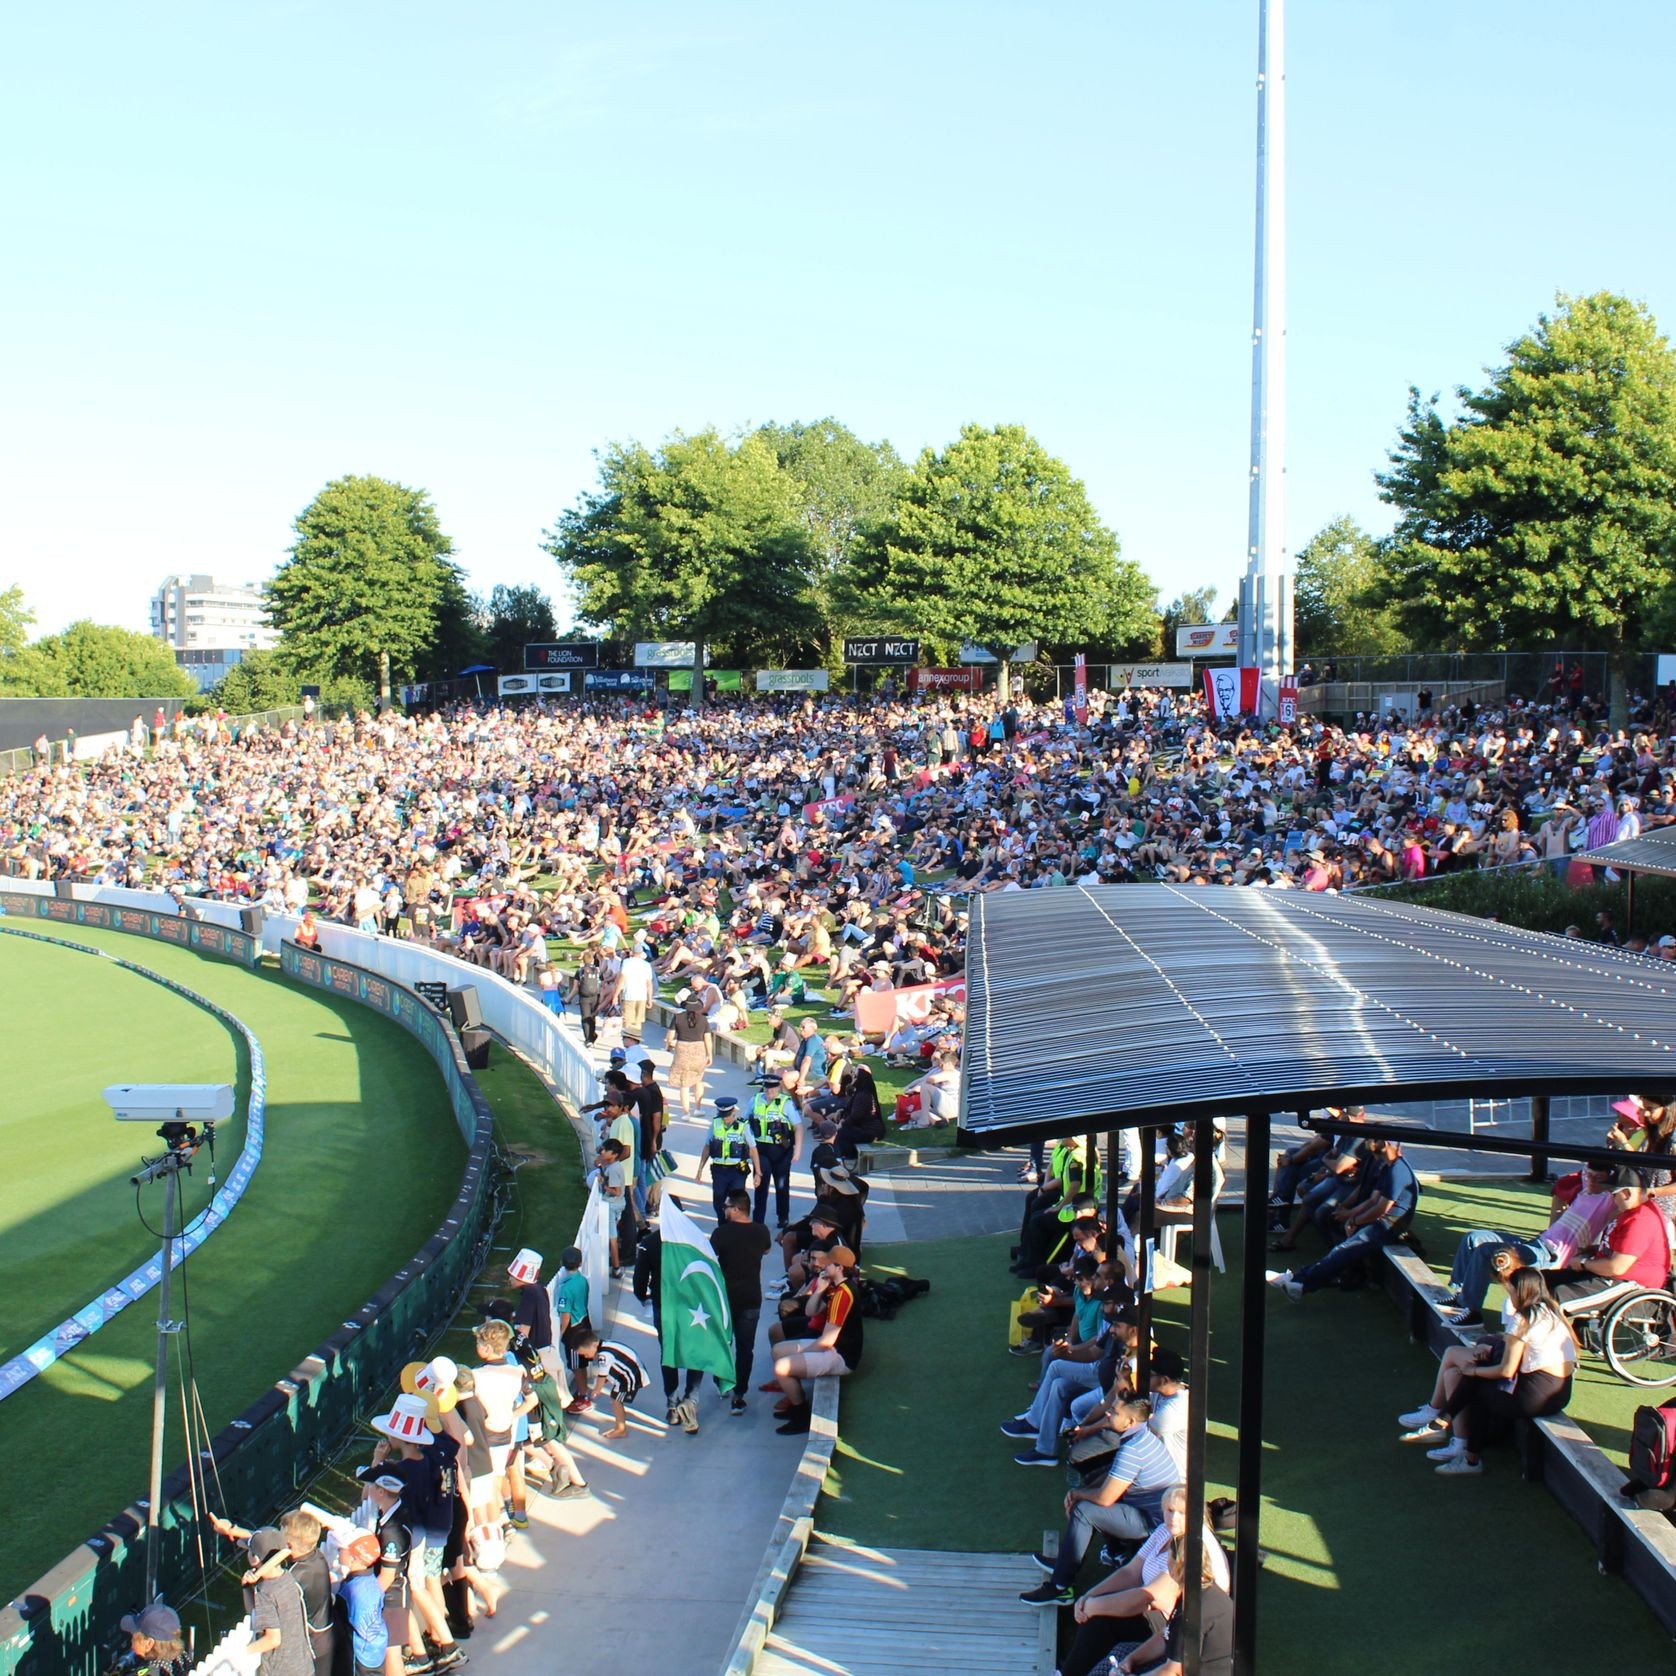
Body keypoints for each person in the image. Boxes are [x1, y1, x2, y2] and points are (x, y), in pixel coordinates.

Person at [1019, 1397, 1178, 1606]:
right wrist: (1086, 1489)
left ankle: (1060, 1587)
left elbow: (1104, 1498)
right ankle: (1101, 1555)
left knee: (1084, 1510)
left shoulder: (1133, 1450)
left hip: (1153, 1524)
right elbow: (1114, 1480)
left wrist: (1077, 1494)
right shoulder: (1142, 1437)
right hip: (1151, 1513)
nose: (1108, 1413)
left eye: (1114, 1412)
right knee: (1093, 1488)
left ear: (1130, 1422)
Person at [1057, 1484, 1230, 1676]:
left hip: (1169, 1622)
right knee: (1115, 1647)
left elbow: (1149, 1598)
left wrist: (1093, 1606)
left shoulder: (1190, 1552)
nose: (1174, 1518)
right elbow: (1131, 1572)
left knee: (1102, 1620)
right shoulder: (1166, 1531)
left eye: (1181, 1512)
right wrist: (1089, 1597)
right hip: (1169, 1627)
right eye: (1170, 1510)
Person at [1420, 1267, 1579, 1476]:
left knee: (1476, 1386)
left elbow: (1505, 1371)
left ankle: (1469, 1458)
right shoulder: (1551, 1309)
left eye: (1510, 1290)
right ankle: (1443, 1421)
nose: (1508, 1295)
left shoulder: (1523, 1318)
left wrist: (1474, 1371)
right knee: (1477, 1376)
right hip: (1560, 1393)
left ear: (1518, 1291)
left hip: (1536, 1396)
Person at [1439, 1161, 1618, 1326]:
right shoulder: (1585, 1189)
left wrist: (1624, 1144)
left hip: (1549, 1255)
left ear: (1609, 1180)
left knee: (1485, 1252)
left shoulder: (1608, 1199)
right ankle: (1460, 1295)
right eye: (1589, 1176)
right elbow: (1585, 1169)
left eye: (1598, 1178)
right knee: (1473, 1238)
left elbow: (1630, 1177)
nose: (1592, 1181)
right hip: (1537, 1242)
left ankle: (1472, 1313)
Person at [1265, 1137, 1418, 1299]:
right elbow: (1373, 1200)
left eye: (1373, 1141)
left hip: (1388, 1226)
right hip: (1381, 1221)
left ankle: (1300, 1282)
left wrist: (1355, 1220)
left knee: (1343, 1249)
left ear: (1387, 1144)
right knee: (1341, 1242)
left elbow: (1381, 1208)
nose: (1368, 1144)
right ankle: (1299, 1280)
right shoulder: (1388, 1167)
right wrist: (1350, 1215)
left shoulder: (1397, 1171)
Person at [1544, 1168, 1671, 1309]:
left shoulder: (1640, 1220)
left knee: (1557, 1296)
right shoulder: (1630, 1212)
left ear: (1627, 1194)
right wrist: (1592, 1250)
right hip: (1609, 1275)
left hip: (1631, 1284)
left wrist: (1582, 1263)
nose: (1611, 1198)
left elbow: (1616, 1267)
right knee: (1541, 1281)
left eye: (1613, 1194)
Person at [771, 1244, 863, 1435]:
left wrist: (801, 1353)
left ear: (839, 1268)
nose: (824, 1265)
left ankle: (801, 1414)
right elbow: (810, 1311)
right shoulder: (834, 1287)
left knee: (782, 1366)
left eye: (829, 1263)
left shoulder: (843, 1294)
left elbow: (827, 1342)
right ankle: (797, 1398)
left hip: (841, 1355)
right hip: (832, 1347)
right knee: (778, 1351)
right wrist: (820, 1290)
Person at [711, 1188, 773, 1415]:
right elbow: (767, 1250)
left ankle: (722, 1382)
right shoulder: (761, 1231)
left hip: (724, 1299)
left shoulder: (720, 1234)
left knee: (722, 1343)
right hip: (751, 1298)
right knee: (746, 1349)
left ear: (737, 1209)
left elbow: (710, 1258)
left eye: (727, 1206)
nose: (724, 1209)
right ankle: (739, 1395)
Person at [245, 1525, 315, 1676]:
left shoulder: (266, 1591)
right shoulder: (287, 1577)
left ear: (255, 1558)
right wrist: (246, 1587)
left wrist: (242, 1652)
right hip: (302, 1665)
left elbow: (273, 1639)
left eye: (249, 1551)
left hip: (281, 1670)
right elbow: (255, 1613)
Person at [569, 1328, 649, 1439]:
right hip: (631, 1373)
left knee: (616, 1401)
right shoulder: (606, 1344)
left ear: (593, 1345)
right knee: (616, 1399)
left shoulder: (604, 1355)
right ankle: (621, 1422)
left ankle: (621, 1429)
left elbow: (602, 1375)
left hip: (629, 1379)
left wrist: (597, 1389)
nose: (586, 1357)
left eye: (586, 1354)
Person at [749, 1071, 802, 1230]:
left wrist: (797, 1150)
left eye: (773, 1089)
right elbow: (746, 1122)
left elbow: (798, 1127)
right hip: (761, 1149)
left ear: (779, 1088)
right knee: (760, 1183)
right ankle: (758, 1219)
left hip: (781, 1149)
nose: (770, 1093)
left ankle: (783, 1216)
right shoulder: (755, 1100)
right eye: (767, 1089)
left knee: (782, 1184)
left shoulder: (785, 1103)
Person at [697, 1094, 761, 1221]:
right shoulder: (715, 1124)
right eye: (723, 1117)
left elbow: (753, 1149)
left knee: (737, 1201)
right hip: (719, 1170)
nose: (725, 1120)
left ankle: (738, 1225)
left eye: (727, 1116)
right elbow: (707, 1147)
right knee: (718, 1201)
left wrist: (758, 1172)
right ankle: (723, 1225)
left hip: (737, 1170)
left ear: (734, 1112)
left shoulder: (743, 1126)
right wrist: (700, 1169)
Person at [336, 1533, 390, 1676]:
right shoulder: (372, 1581)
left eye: (342, 1549)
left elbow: (339, 1622)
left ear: (354, 1558)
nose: (338, 1551)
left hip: (359, 1654)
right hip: (376, 1649)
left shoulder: (351, 1590)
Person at [666, 992, 713, 1118]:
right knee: (698, 1080)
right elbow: (707, 1039)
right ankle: (698, 1108)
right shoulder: (703, 1020)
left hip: (682, 1049)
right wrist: (709, 1055)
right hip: (699, 1050)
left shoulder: (677, 1017)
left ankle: (686, 1113)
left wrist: (669, 1046)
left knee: (684, 1083)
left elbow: (670, 1038)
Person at [117, 1604, 189, 1676]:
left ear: (149, 1643)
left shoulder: (153, 1672)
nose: (131, 1640)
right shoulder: (182, 1658)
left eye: (134, 1635)